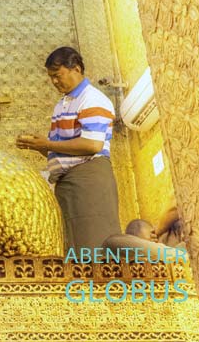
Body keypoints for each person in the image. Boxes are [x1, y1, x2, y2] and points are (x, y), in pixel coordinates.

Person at [16, 46, 121, 251]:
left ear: (77, 69)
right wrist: (38, 146)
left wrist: (47, 144)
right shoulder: (62, 104)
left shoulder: (92, 99)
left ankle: (99, 284)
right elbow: (63, 149)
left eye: (58, 75)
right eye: (51, 77)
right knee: (73, 245)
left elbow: (92, 145)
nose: (54, 81)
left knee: (93, 243)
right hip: (67, 182)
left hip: (88, 179)